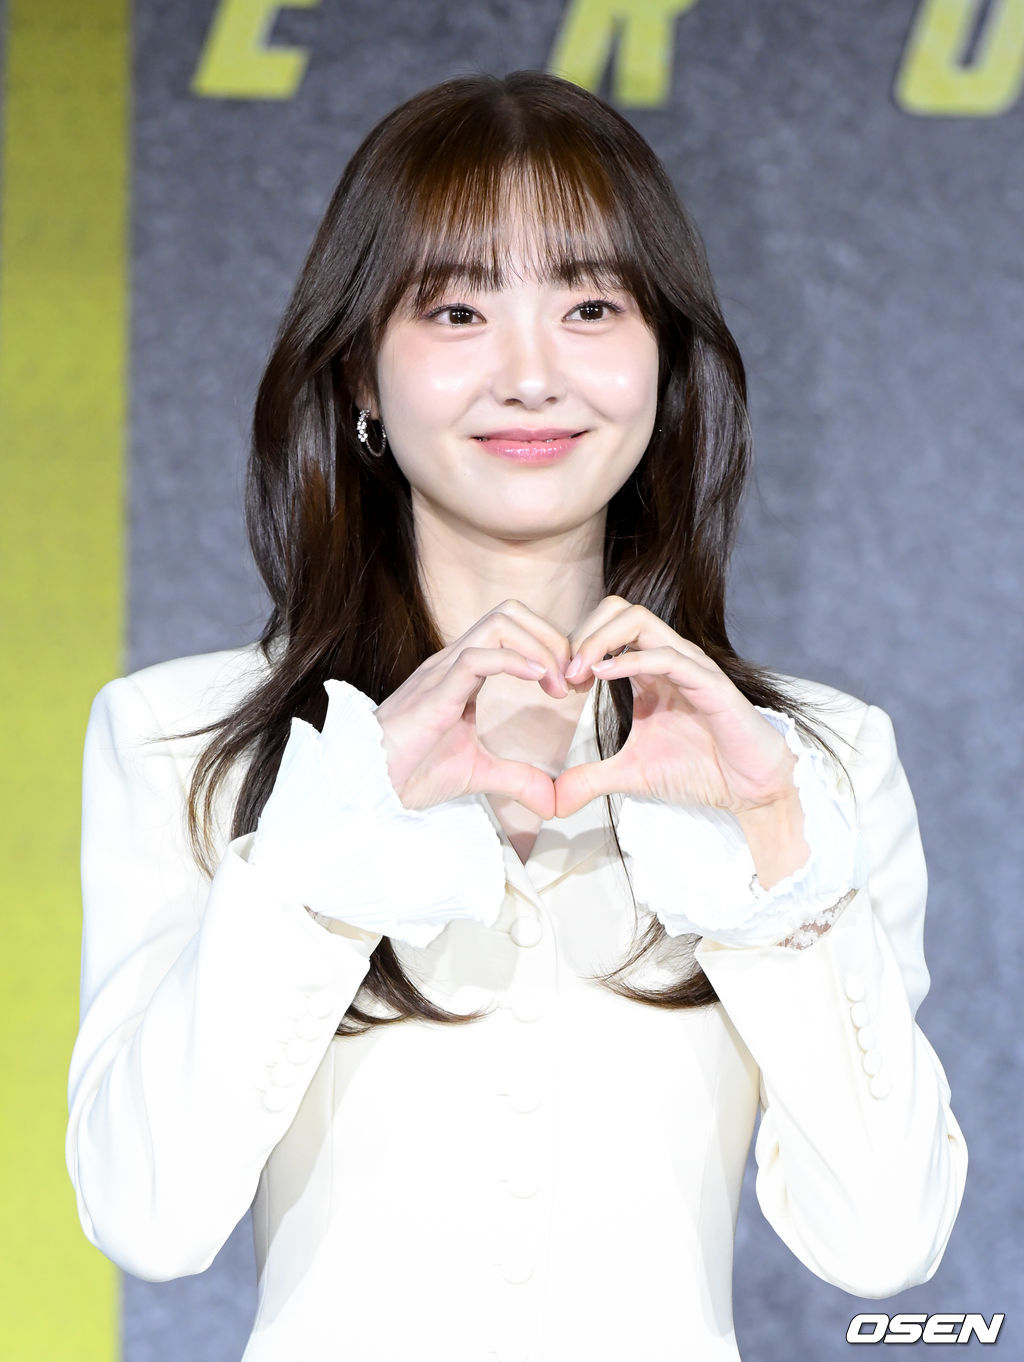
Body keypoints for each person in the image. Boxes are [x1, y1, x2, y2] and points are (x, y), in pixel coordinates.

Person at [66, 70, 967, 1362]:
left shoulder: (814, 758)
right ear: (361, 373)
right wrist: (340, 830)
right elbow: (148, 1217)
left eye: (591, 306)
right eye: (457, 310)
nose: (533, 375)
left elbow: (883, 1244)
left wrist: (773, 840)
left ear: (664, 362)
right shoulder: (183, 739)